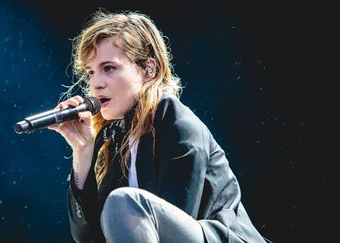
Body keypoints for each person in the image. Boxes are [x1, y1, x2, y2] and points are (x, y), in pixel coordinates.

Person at [48, 9, 268, 243]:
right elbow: (88, 236)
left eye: (109, 68)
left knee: (125, 202)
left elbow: (171, 226)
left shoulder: (173, 118)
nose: (95, 84)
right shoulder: (115, 136)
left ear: (149, 70)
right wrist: (83, 149)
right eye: (90, 72)